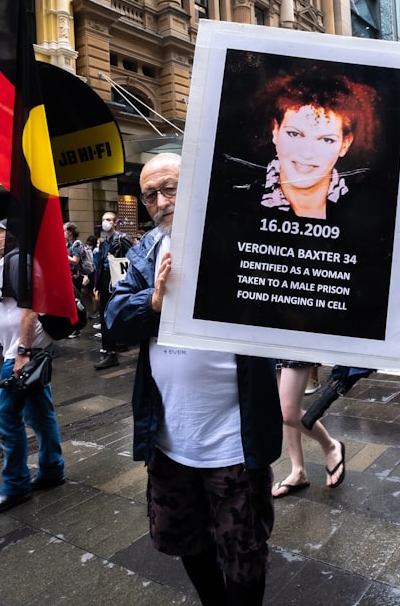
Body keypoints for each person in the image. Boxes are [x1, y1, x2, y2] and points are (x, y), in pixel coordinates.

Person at [106, 153, 282, 605]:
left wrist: (377, 327)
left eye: (171, 188)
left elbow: (310, 300)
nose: (162, 202)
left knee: (243, 550)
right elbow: (114, 321)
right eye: (150, 196)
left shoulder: (246, 236)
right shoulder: (147, 251)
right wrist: (153, 302)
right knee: (186, 538)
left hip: (233, 440)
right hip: (169, 439)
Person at [0, 218, 65, 516]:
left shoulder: (18, 259)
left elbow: (30, 307)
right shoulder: (9, 262)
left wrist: (22, 352)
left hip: (21, 353)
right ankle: (52, 470)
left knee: (3, 417)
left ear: (12, 236)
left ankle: (15, 485)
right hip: (24, 350)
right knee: (40, 414)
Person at [257, 68, 380, 220]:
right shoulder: (238, 202)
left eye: (326, 140)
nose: (307, 153)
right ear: (275, 131)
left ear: (345, 144)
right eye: (294, 134)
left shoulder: (365, 213)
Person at [271, 360, 344, 496]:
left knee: (288, 412)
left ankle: (330, 445)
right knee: (283, 406)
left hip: (297, 341)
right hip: (274, 341)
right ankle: (298, 470)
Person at [92, 210, 133, 370]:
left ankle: (113, 348)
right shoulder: (103, 242)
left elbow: (132, 260)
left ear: (116, 222)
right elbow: (99, 265)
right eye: (103, 219)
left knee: (114, 314)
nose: (106, 222)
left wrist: (115, 261)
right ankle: (110, 350)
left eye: (109, 219)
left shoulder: (122, 240)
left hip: (116, 282)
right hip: (105, 282)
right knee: (105, 315)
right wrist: (96, 285)